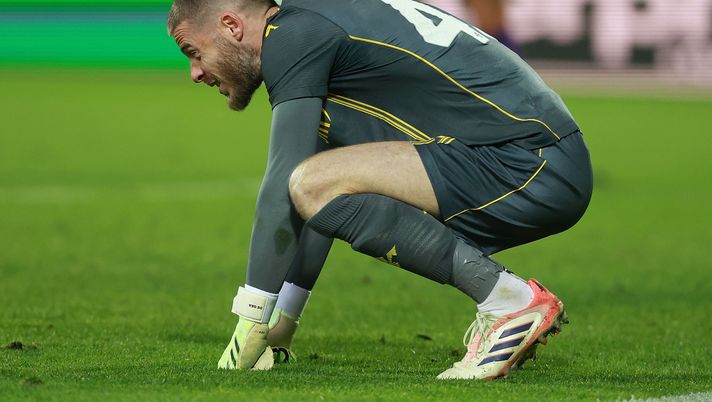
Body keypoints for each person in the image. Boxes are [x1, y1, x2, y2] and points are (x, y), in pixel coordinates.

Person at [167, 0, 592, 380]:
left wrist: (250, 323)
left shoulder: (294, 35)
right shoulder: (314, 22)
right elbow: (312, 192)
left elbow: (286, 184)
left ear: (231, 25)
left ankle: (509, 301)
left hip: (527, 162)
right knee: (317, 180)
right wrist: (281, 326)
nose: (195, 72)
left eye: (193, 51)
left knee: (307, 181)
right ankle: (506, 299)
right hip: (537, 156)